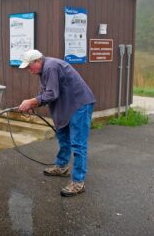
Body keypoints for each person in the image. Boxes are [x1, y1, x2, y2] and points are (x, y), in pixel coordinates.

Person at [18, 49, 96, 197]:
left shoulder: (50, 67)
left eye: (29, 66)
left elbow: (52, 94)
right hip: (67, 106)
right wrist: (32, 104)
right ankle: (61, 166)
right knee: (63, 136)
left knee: (78, 145)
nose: (29, 70)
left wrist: (30, 102)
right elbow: (46, 93)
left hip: (79, 104)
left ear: (38, 61)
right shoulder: (44, 70)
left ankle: (78, 182)